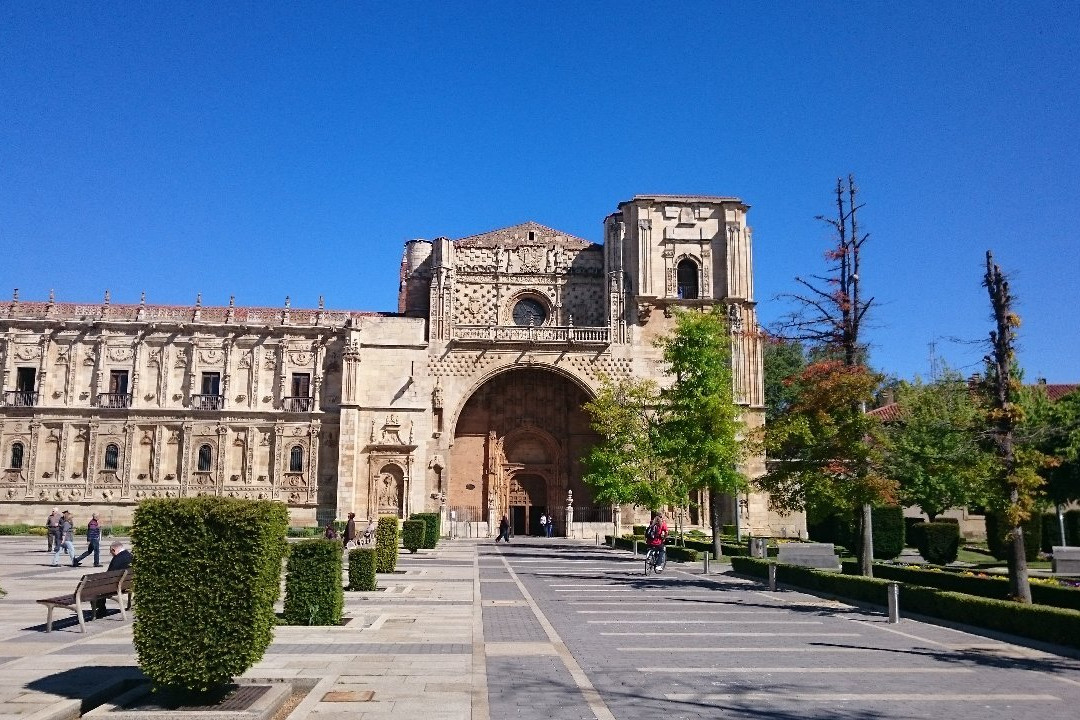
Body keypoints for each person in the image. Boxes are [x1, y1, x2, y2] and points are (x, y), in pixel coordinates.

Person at [94, 542, 133, 619]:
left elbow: (109, 575)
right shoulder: (130, 556)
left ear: (113, 549)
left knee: (97, 589)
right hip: (128, 584)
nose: (111, 554)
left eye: (111, 552)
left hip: (116, 586)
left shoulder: (117, 559)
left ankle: (101, 610)